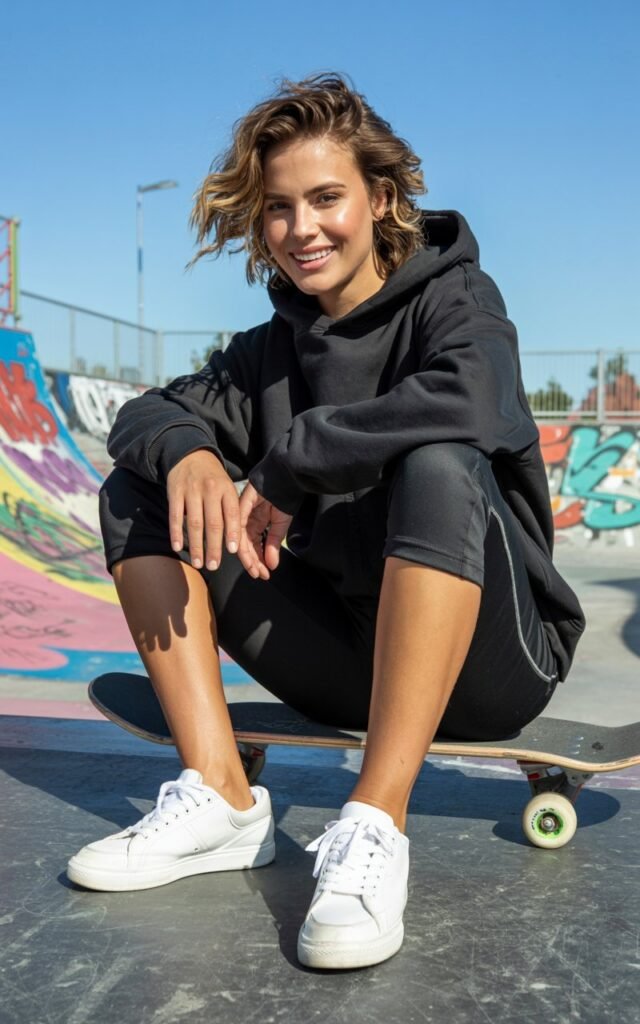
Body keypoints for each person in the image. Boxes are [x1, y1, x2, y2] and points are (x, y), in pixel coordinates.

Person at [67, 73, 585, 970]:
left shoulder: (455, 301)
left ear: (380, 199)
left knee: (440, 463)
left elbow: (471, 397)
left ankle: (375, 822)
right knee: (137, 485)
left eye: (326, 198)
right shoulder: (268, 350)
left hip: (495, 662)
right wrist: (190, 452)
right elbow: (143, 414)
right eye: (279, 208)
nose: (301, 228)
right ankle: (221, 797)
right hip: (341, 666)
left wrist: (291, 461)